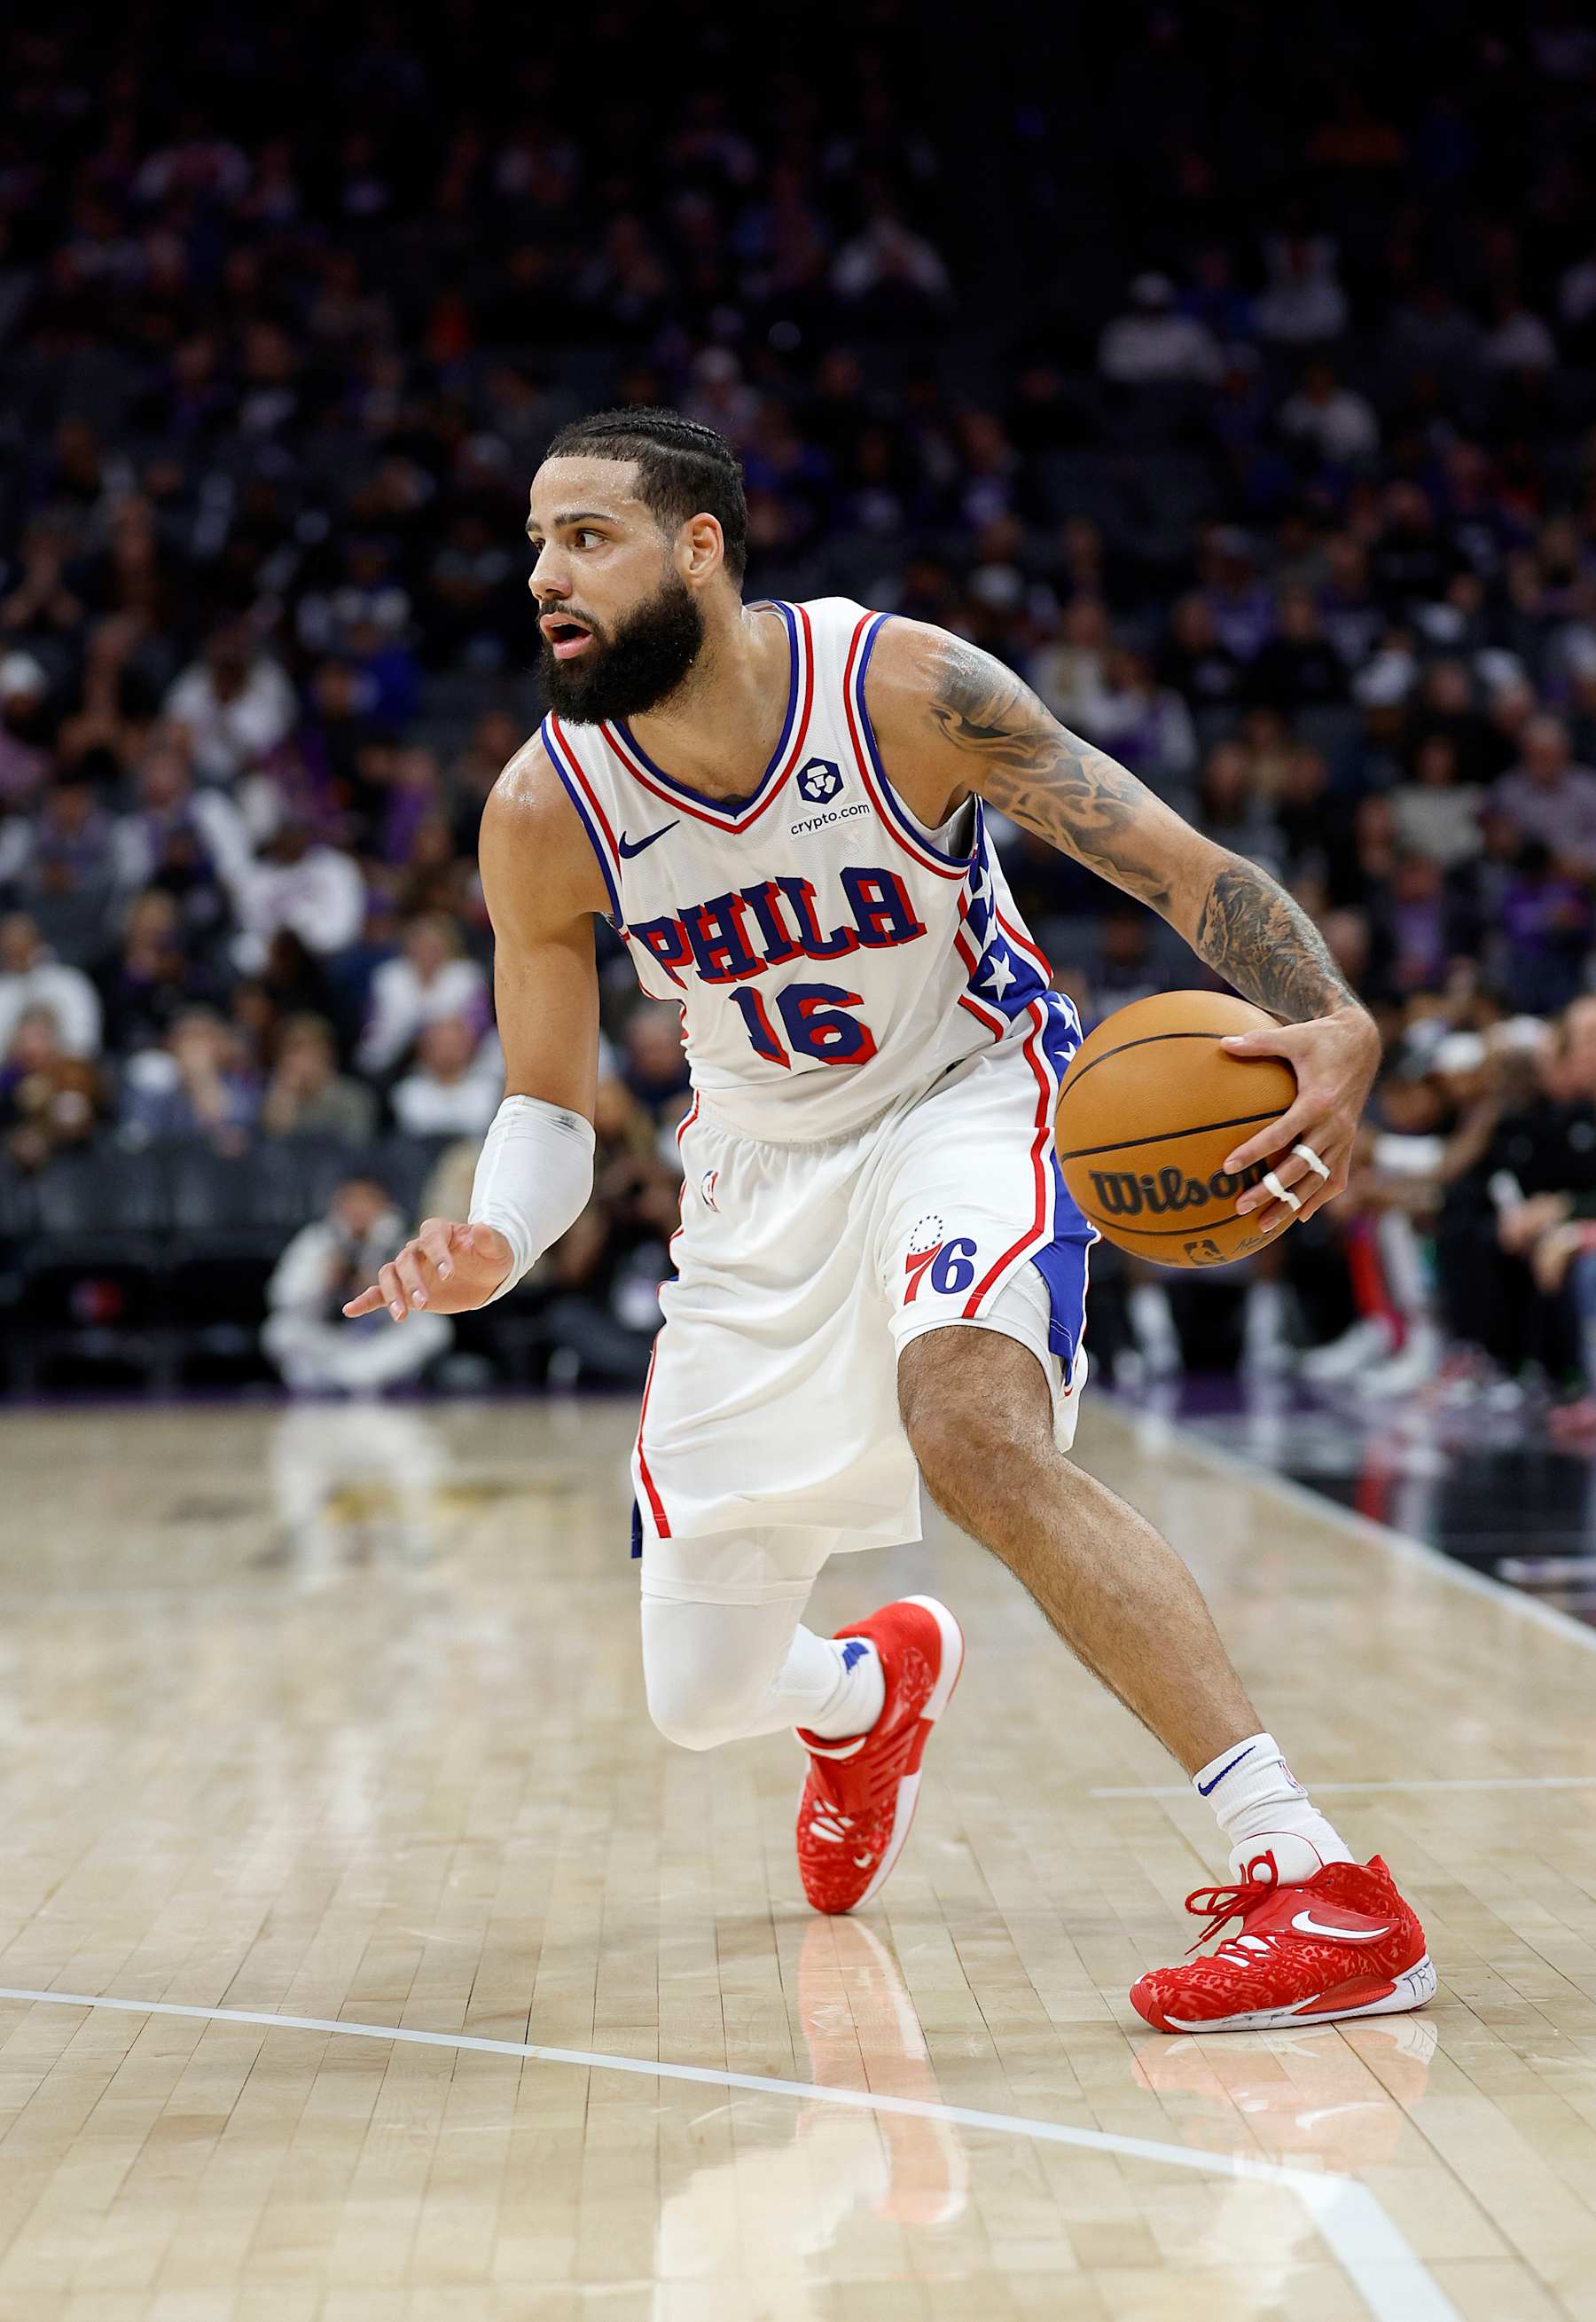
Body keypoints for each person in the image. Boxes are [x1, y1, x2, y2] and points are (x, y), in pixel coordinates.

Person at [344, 408, 1432, 2035]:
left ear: (699, 547)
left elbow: (1177, 867)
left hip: (970, 1095)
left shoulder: (903, 691)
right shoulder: (541, 806)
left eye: (586, 538)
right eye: (533, 544)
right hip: (757, 1177)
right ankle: (863, 1692)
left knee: (973, 1431)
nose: (542, 578)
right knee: (701, 1694)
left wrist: (1332, 1011)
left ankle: (1313, 1873)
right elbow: (550, 1108)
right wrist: (496, 1235)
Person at [266, 1177, 450, 1393]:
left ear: (385, 1205)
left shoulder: (402, 1241)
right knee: (280, 1331)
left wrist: (379, 1285)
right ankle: (352, 1380)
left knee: (433, 1329)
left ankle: (350, 1378)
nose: (359, 1209)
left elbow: (425, 1300)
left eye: (368, 1200)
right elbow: (282, 1298)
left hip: (380, 1340)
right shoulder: (317, 1240)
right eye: (351, 1200)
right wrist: (323, 1281)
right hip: (330, 1338)